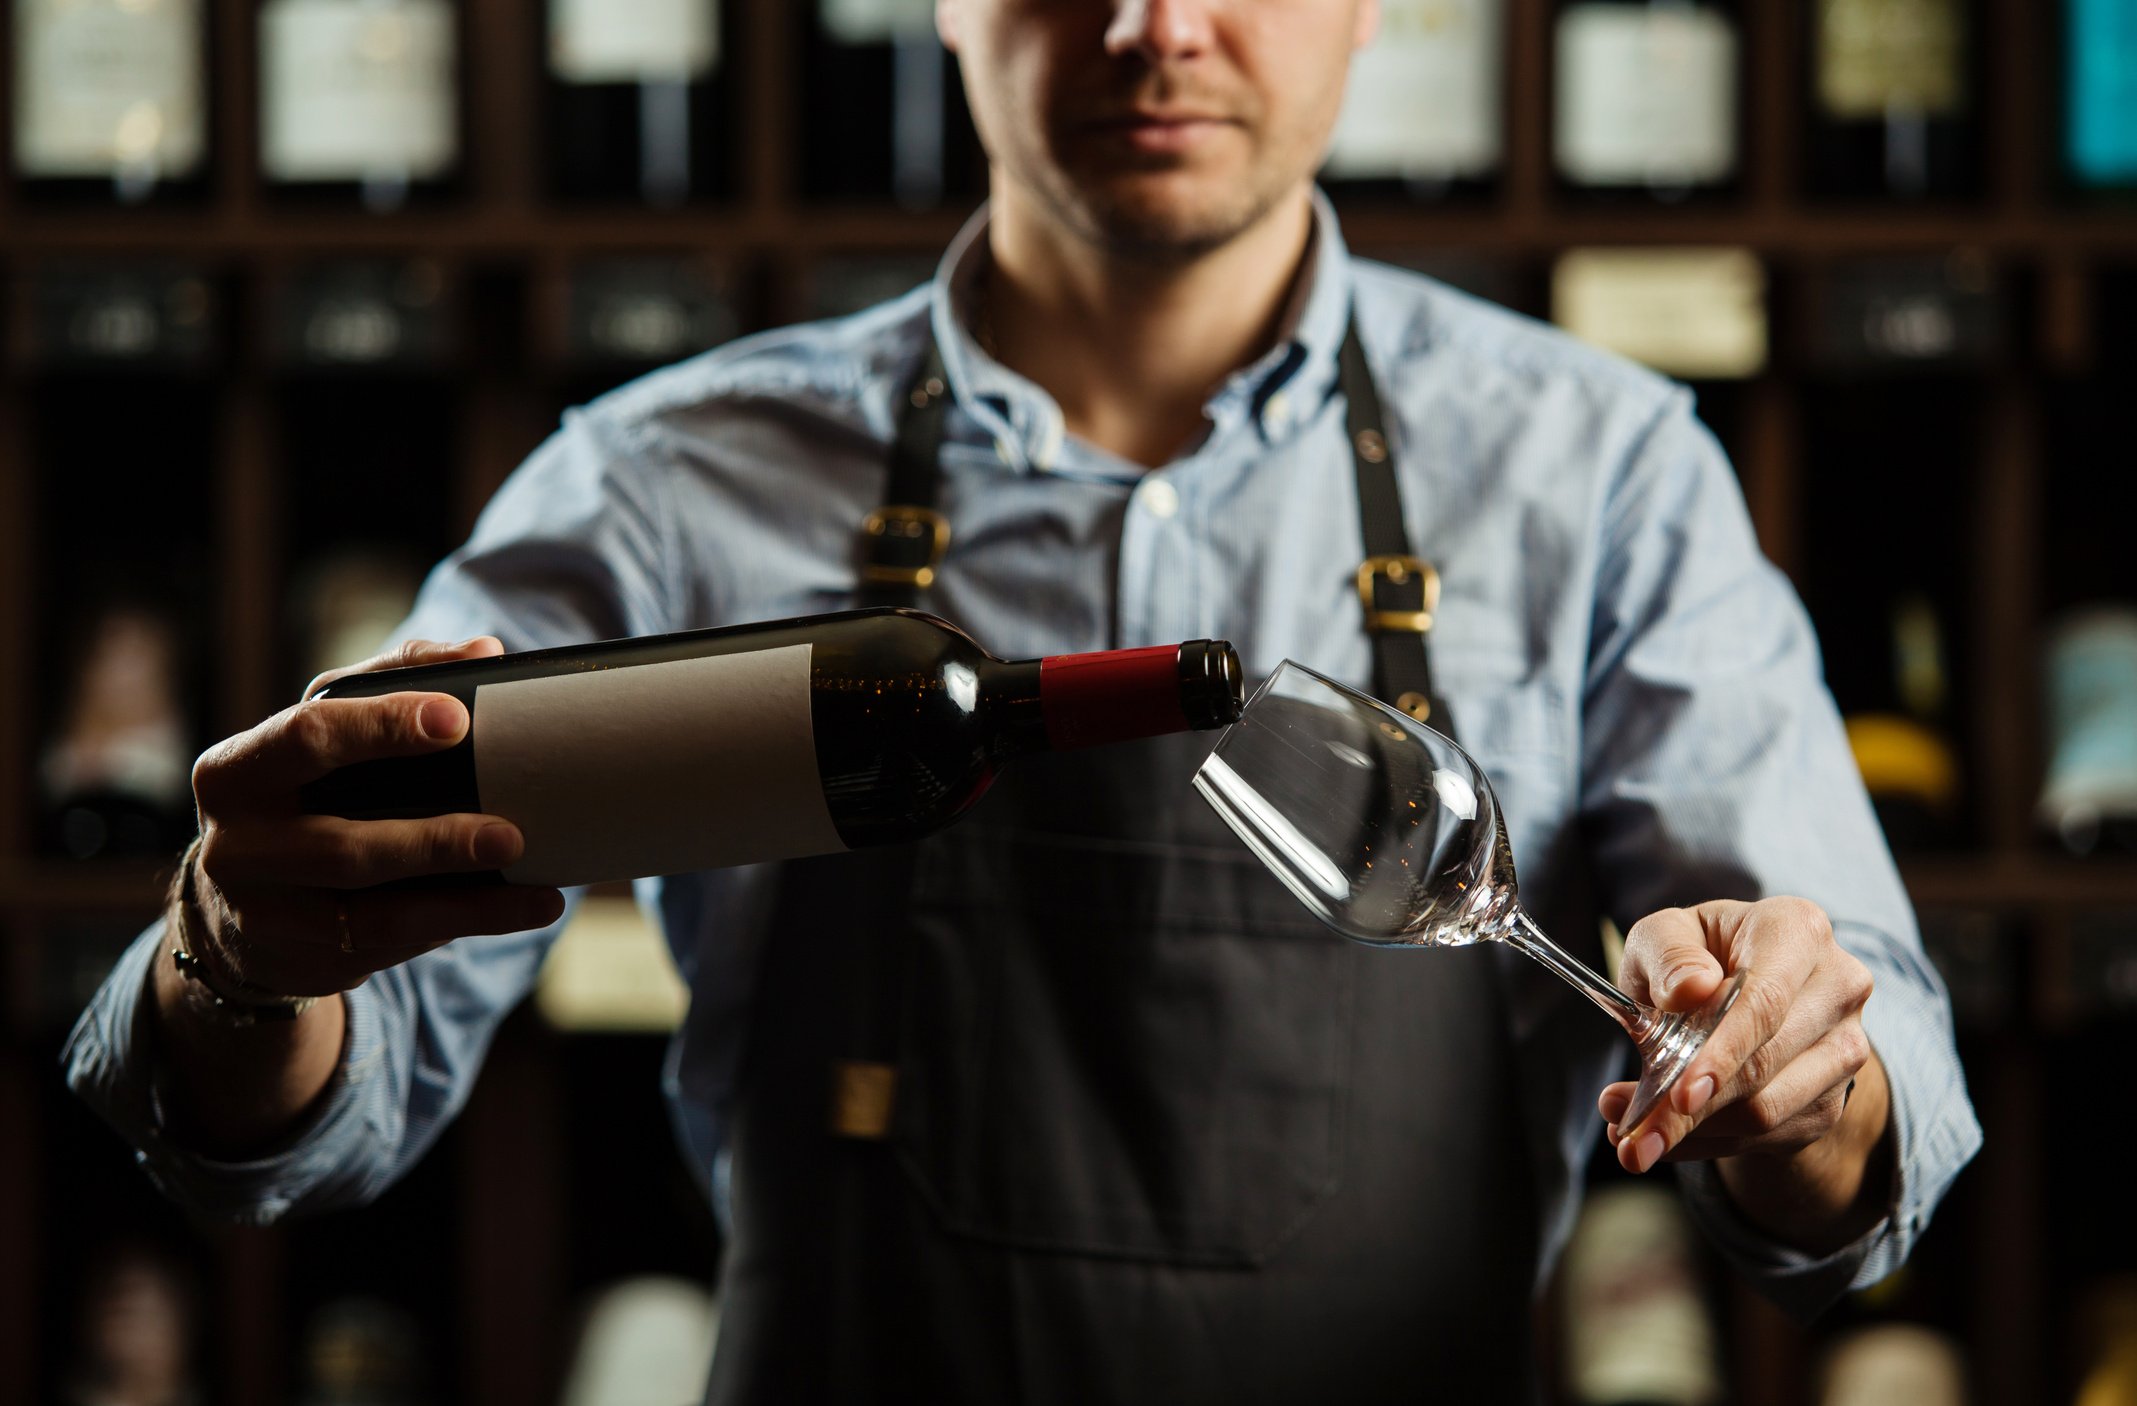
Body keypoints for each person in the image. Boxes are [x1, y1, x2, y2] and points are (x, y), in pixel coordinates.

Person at [68, 0, 1982, 1398]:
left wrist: (1785, 1063)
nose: (1155, 28)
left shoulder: (1601, 470)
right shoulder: (664, 482)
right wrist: (243, 960)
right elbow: (314, 1102)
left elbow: (1849, 1125)